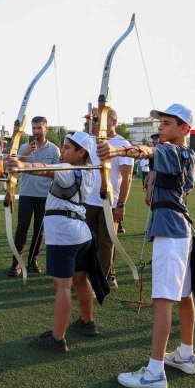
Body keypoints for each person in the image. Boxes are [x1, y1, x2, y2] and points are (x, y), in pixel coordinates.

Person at [98, 104, 195, 388]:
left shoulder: (170, 151)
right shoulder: (188, 155)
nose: (161, 128)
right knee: (182, 294)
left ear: (184, 129)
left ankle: (155, 372)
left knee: (164, 299)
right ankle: (185, 354)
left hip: (170, 231)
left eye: (167, 124)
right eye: (161, 123)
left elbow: (146, 150)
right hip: (180, 229)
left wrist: (115, 151)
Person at [9, 132, 101, 353]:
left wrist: (20, 164)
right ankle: (87, 323)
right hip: (80, 233)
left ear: (81, 153)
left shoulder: (67, 169)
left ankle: (58, 339)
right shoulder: (88, 172)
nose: (63, 150)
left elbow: (44, 168)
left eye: (68, 148)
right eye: (64, 146)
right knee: (80, 279)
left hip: (64, 235)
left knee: (62, 287)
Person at [82, 110, 133, 290]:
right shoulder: (90, 142)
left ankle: (98, 282)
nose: (94, 123)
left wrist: (121, 205)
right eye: (93, 119)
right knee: (91, 241)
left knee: (105, 243)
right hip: (90, 202)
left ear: (114, 121)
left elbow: (127, 178)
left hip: (109, 203)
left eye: (98, 119)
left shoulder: (122, 144)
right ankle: (109, 276)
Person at [8, 116, 60, 276]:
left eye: (39, 128)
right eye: (34, 128)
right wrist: (25, 153)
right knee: (21, 228)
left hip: (45, 196)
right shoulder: (24, 146)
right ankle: (16, 262)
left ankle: (33, 260)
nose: (36, 131)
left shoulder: (54, 150)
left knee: (40, 229)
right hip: (26, 194)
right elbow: (14, 167)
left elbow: (57, 172)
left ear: (46, 129)